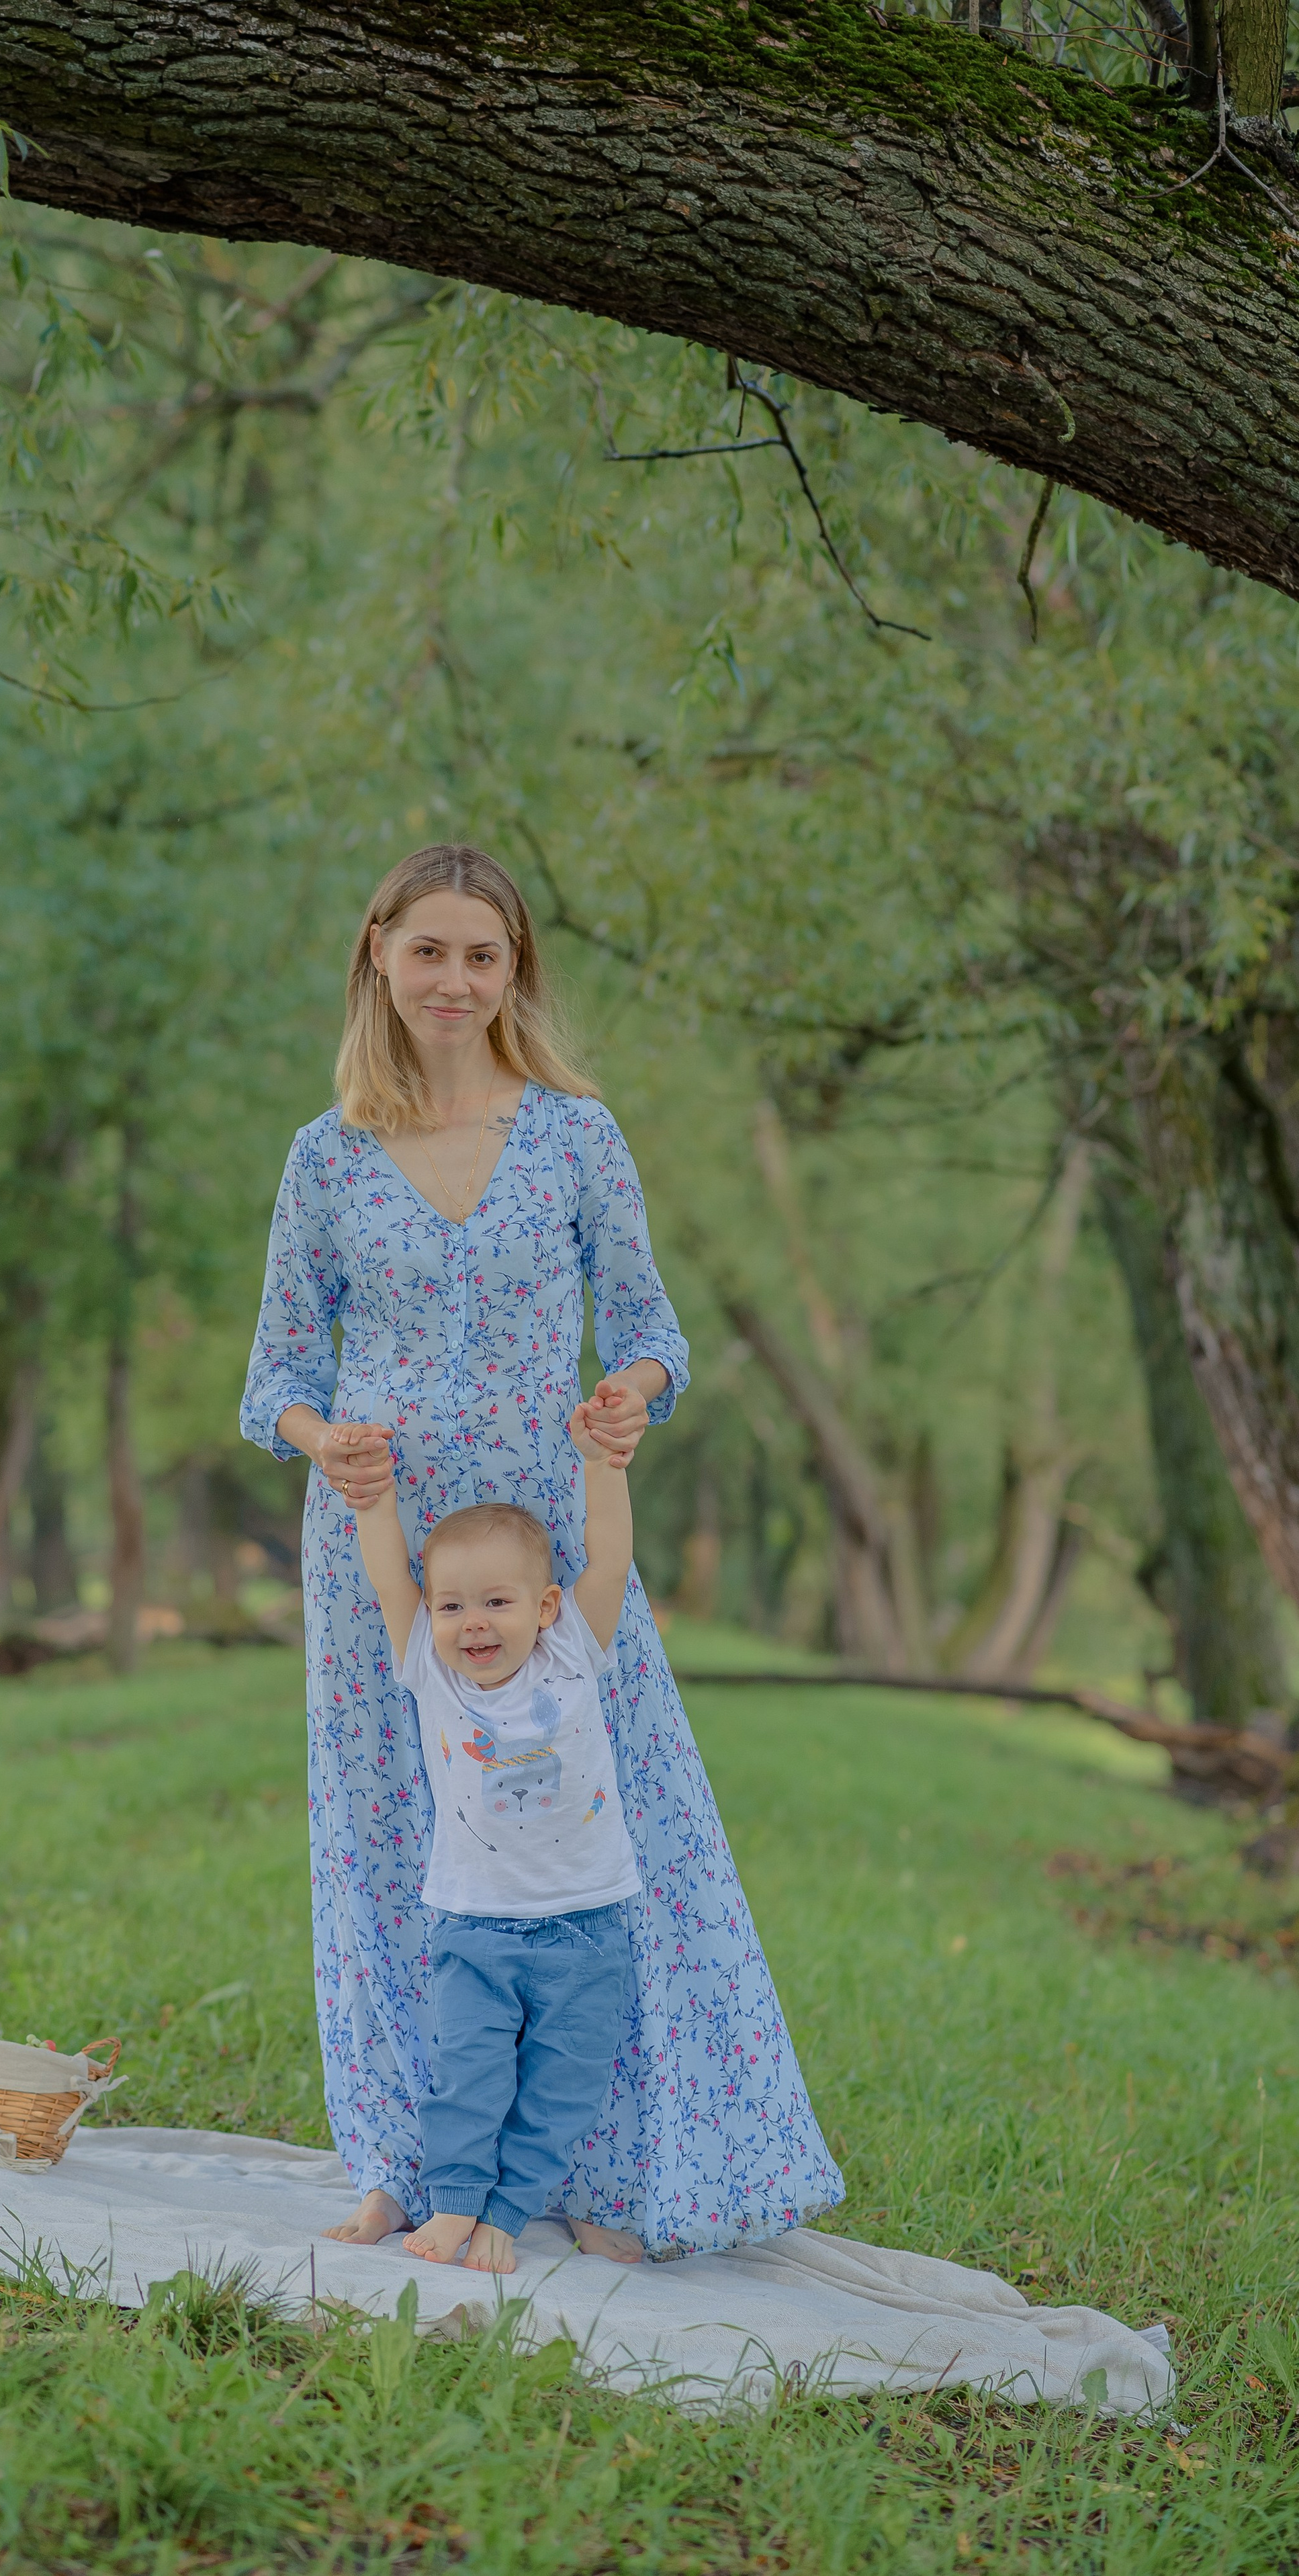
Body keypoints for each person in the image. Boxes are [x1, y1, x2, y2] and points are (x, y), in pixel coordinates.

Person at [240, 842, 842, 2260]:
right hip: (385, 1552)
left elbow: (649, 1327)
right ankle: (402, 2159)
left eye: (483, 956)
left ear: (514, 974)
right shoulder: (323, 1157)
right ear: (376, 951)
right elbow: (275, 1369)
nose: (454, 979)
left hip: (547, 1540)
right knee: (390, 1835)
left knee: (601, 1832)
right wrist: (321, 1440)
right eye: (429, 949)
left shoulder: (575, 1135)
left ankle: (616, 2166)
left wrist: (629, 1392)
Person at [352, 1396, 641, 2273]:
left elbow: (612, 1554)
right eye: (452, 1606)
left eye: (496, 1602)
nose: (471, 1622)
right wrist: (374, 1504)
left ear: (545, 1607)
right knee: (468, 2078)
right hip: (474, 1923)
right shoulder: (431, 1672)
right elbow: (388, 1580)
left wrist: (602, 1465)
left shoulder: (572, 1650)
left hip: (587, 1925)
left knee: (563, 2087)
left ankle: (510, 2214)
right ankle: (453, 2205)